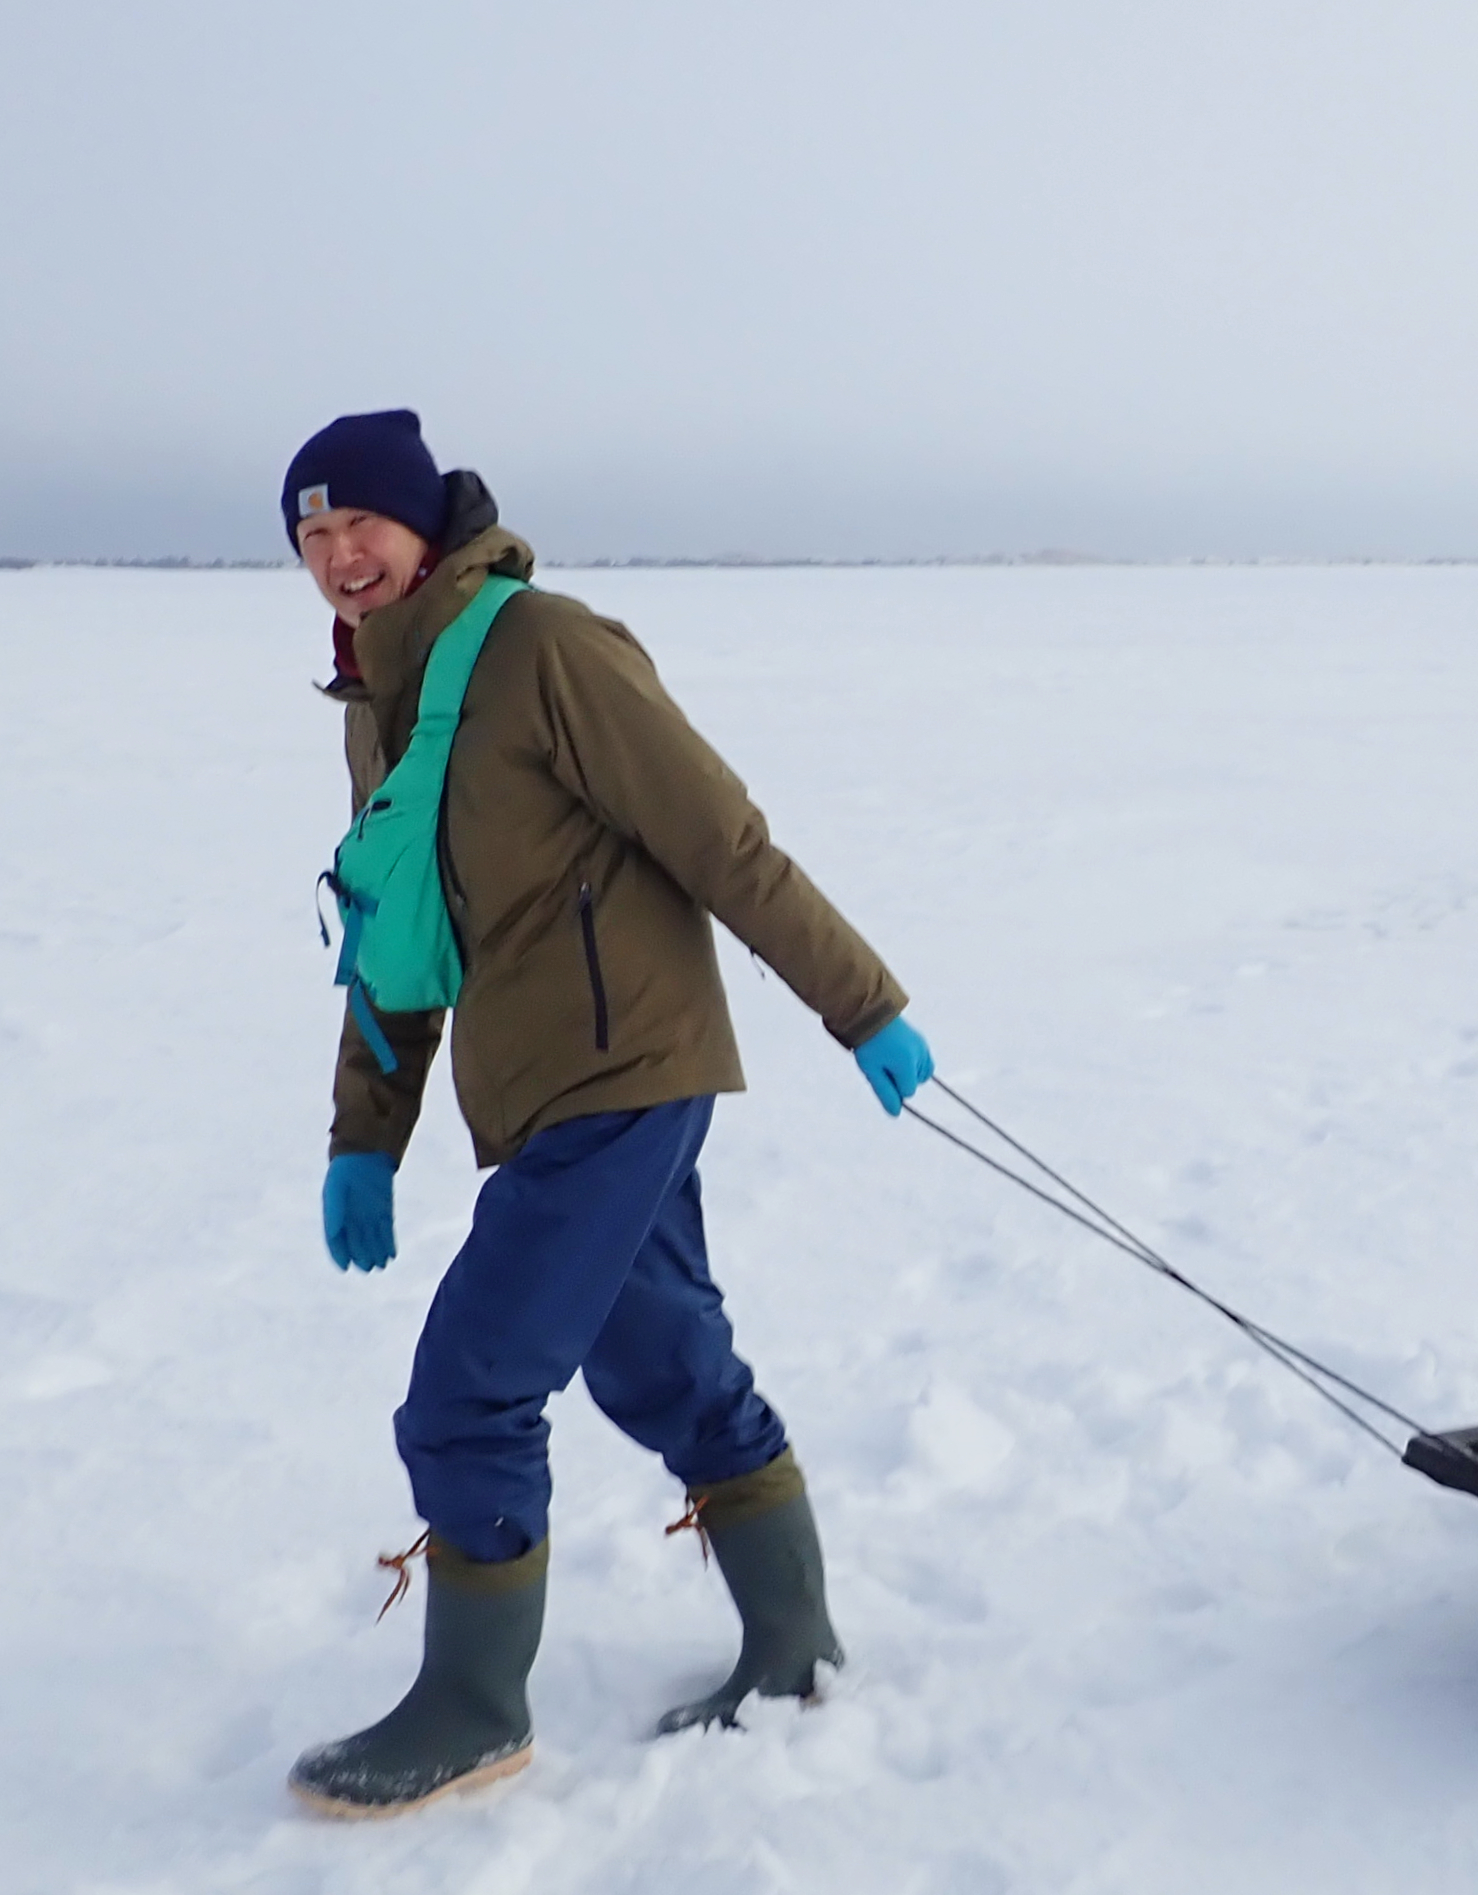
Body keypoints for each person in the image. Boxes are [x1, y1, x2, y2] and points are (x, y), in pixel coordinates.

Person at [277, 410, 935, 1818]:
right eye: (311, 536)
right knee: (662, 1365)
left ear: (426, 526)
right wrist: (362, 1140)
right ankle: (794, 1641)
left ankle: (472, 1707)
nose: (339, 557)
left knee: (469, 1392)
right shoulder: (380, 705)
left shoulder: (545, 650)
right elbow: (396, 943)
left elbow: (722, 841)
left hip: (626, 1073)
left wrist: (860, 1006)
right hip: (533, 1093)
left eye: (362, 527)